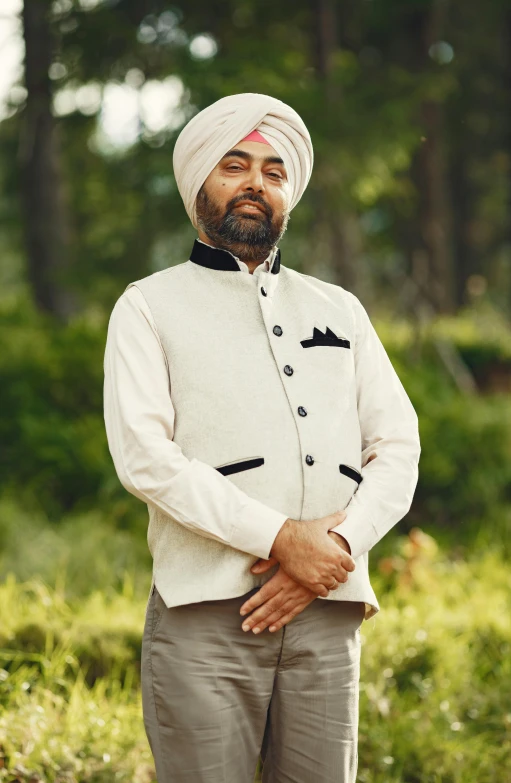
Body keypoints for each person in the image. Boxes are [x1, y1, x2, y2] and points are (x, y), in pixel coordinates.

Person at [103, 92, 421, 783]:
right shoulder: (148, 305)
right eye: (235, 165)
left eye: (275, 171)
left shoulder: (342, 308)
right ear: (199, 185)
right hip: (204, 615)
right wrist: (283, 539)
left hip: (328, 612)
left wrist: (332, 548)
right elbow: (145, 459)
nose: (255, 183)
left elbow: (398, 445)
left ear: (289, 193)